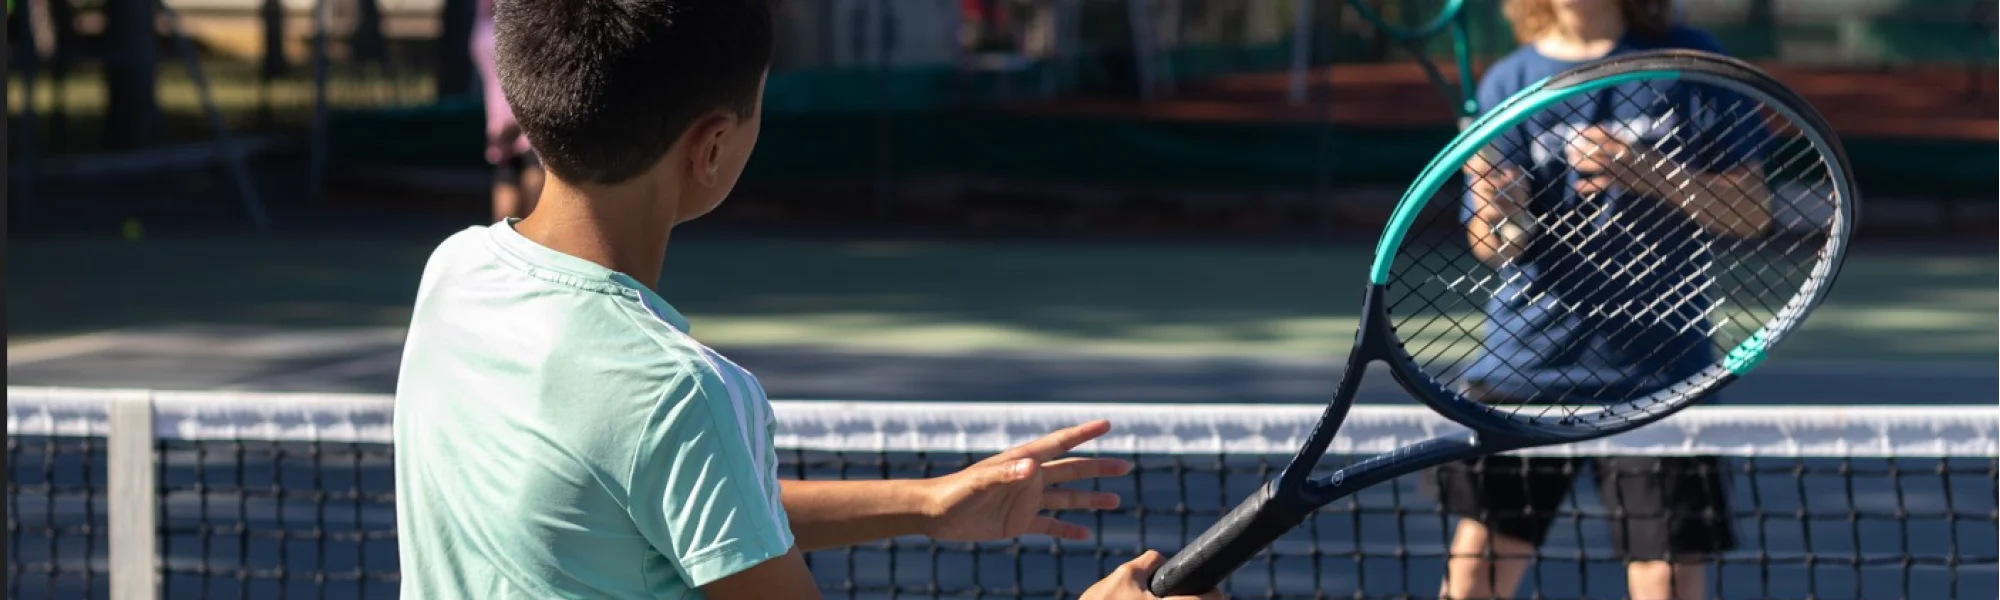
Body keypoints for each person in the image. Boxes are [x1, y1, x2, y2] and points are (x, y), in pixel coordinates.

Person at [391, 1, 1222, 599]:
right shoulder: (680, 395)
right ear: (713, 146)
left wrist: (926, 504)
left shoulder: (456, 274)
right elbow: (672, 471)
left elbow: (647, 500)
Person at [1428, 0, 1774, 599]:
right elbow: (1493, 245)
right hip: (1524, 371)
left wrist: (1646, 171)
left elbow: (1751, 213)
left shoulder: (1693, 62)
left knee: (1664, 582)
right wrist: (1502, 210)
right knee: (1474, 580)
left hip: (1663, 375)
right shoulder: (1509, 81)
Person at [472, 0, 541, 222]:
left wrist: (516, 122)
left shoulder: (530, 17)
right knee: (503, 224)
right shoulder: (484, 16)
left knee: (535, 224)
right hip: (501, 134)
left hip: (533, 131)